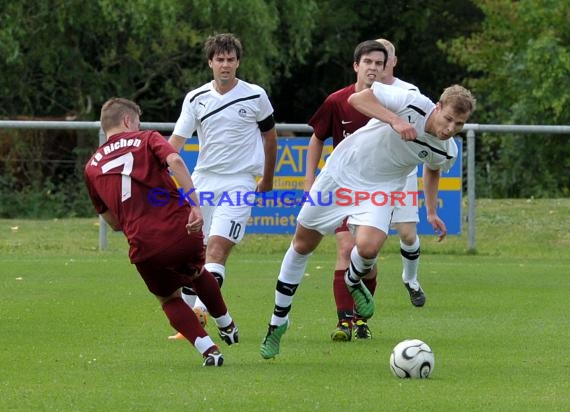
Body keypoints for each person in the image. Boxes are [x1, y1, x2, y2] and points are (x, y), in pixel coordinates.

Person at [260, 84, 476, 359]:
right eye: (448, 119)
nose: (450, 128)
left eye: (459, 124)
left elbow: (433, 170)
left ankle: (352, 279)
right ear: (437, 107)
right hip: (341, 173)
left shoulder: (448, 150)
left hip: (381, 189)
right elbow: (358, 98)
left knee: (368, 248)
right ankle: (278, 322)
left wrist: (431, 212)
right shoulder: (411, 102)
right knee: (302, 245)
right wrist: (395, 120)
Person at [84, 97, 238, 367]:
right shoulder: (146, 138)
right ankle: (226, 323)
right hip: (180, 228)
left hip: (143, 246)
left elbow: (114, 223)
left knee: (168, 298)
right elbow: (176, 161)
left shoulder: (91, 167)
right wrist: (195, 205)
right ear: (128, 121)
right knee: (197, 271)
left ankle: (209, 350)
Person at [167, 33, 278, 339]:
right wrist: (154, 166)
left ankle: (203, 311)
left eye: (231, 59)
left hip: (240, 182)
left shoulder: (255, 95)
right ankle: (193, 321)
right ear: (210, 63)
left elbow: (270, 137)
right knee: (193, 253)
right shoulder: (195, 98)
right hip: (203, 181)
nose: (225, 64)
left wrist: (267, 178)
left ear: (238, 62)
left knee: (216, 249)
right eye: (220, 59)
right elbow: (175, 142)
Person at [304, 40, 387, 342]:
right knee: (344, 249)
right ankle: (344, 322)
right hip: (343, 188)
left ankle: (363, 318)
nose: (373, 68)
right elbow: (317, 138)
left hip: (377, 191)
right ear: (356, 66)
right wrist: (309, 180)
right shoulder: (337, 101)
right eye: (368, 62)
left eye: (379, 63)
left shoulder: (392, 104)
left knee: (367, 255)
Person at [375, 38, 426, 308]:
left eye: (385, 58)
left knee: (407, 234)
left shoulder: (409, 92)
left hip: (401, 173)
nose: (379, 64)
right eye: (374, 59)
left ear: (393, 62)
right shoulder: (362, 91)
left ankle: (411, 279)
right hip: (370, 175)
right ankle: (357, 299)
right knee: (368, 239)